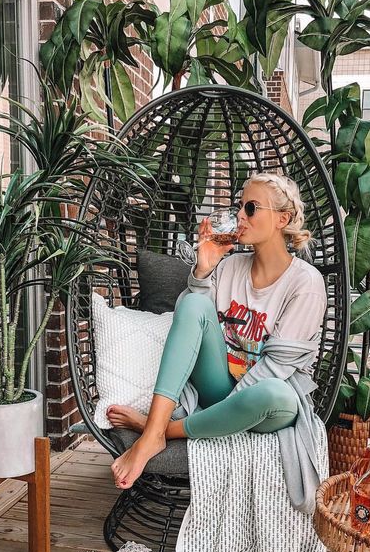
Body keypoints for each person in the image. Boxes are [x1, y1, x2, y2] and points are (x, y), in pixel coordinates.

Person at [107, 172, 327, 494]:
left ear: (283, 218)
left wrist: (230, 413)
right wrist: (204, 268)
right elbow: (191, 318)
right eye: (240, 206)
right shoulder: (231, 267)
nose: (240, 215)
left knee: (275, 392)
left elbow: (277, 369)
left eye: (251, 208)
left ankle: (161, 429)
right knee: (195, 303)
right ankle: (153, 433)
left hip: (263, 405)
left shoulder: (305, 283)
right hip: (219, 387)